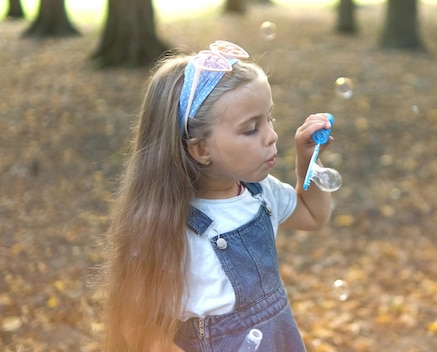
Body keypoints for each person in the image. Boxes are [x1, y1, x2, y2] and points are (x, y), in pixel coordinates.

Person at [100, 40, 335, 352]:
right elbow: (141, 327)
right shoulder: (171, 227)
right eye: (251, 129)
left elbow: (313, 215)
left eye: (269, 118)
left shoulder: (259, 193)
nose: (272, 136)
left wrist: (308, 161)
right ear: (201, 149)